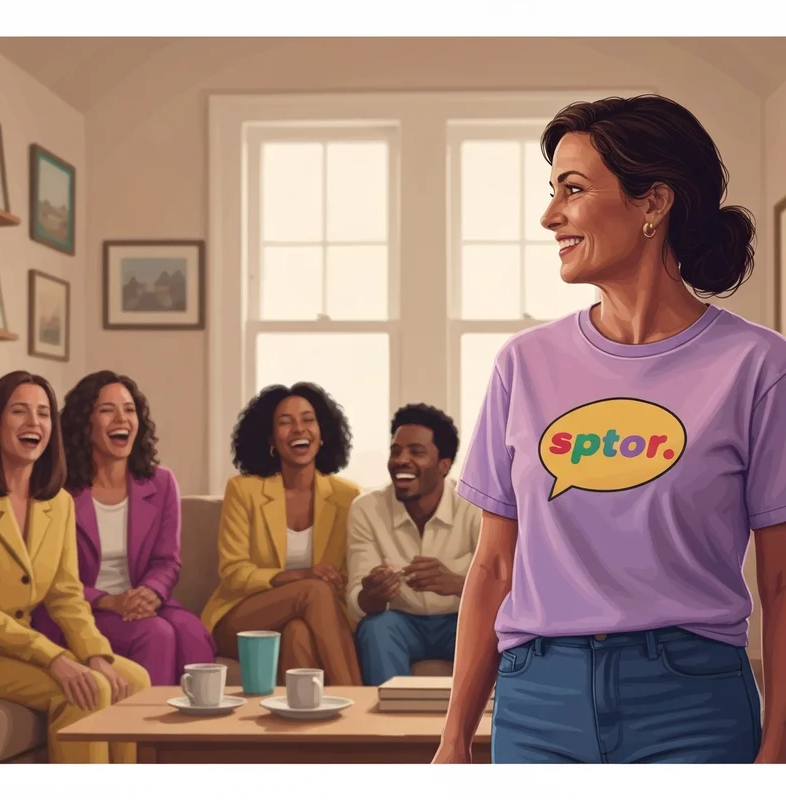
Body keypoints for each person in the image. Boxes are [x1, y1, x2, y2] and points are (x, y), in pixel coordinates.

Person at [433, 94, 786, 765]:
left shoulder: (759, 367)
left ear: (653, 203)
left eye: (572, 189)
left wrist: (778, 753)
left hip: (693, 705)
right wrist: (453, 740)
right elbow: (494, 566)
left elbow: (781, 585)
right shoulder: (523, 365)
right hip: (537, 701)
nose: (549, 216)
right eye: (552, 191)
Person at [0, 371, 150, 764]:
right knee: (83, 690)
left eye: (43, 414)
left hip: (19, 649)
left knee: (134, 680)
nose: (33, 424)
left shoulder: (56, 502)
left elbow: (65, 595)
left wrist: (95, 653)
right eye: (19, 412)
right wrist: (53, 657)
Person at [32, 371, 216, 686]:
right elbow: (50, 576)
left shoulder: (161, 482)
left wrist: (150, 593)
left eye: (129, 410)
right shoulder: (56, 488)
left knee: (191, 633)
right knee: (156, 634)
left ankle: (197, 734)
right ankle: (143, 734)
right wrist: (109, 601)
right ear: (84, 422)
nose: (122, 418)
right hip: (80, 611)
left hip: (139, 603)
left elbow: (166, 561)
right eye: (107, 410)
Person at [201, 382, 362, 685]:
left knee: (297, 634)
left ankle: (298, 729)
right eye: (285, 423)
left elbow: (348, 574)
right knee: (313, 589)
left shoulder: (347, 496)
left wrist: (337, 580)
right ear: (271, 438)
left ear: (323, 433)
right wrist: (300, 577)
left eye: (308, 420)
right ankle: (355, 701)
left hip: (314, 617)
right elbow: (233, 572)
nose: (299, 429)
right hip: (242, 616)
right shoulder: (243, 490)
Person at [347, 404, 481, 686]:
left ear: (444, 465)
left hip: (460, 620)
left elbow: (507, 585)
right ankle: (387, 730)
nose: (401, 460)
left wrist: (458, 584)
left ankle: (482, 726)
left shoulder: (475, 507)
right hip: (398, 621)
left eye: (416, 452)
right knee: (375, 629)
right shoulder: (366, 509)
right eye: (396, 451)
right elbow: (358, 601)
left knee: (487, 627)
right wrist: (373, 594)